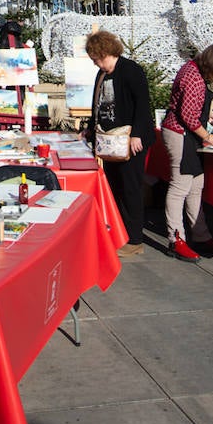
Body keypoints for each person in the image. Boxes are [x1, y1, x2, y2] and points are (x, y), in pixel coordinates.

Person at [85, 29, 155, 258]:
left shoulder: (131, 70)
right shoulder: (102, 75)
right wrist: (89, 129)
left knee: (131, 189)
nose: (96, 64)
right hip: (110, 142)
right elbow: (97, 106)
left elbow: (143, 105)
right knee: (115, 188)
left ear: (105, 52)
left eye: (97, 59)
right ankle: (119, 233)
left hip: (129, 141)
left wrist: (137, 134)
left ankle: (135, 240)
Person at [162, 44, 213, 260]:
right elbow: (188, 115)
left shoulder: (193, 70)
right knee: (180, 187)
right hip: (180, 135)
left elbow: (191, 105)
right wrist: (209, 136)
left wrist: (207, 114)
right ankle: (176, 239)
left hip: (188, 136)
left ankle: (201, 236)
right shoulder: (193, 77)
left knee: (196, 185)